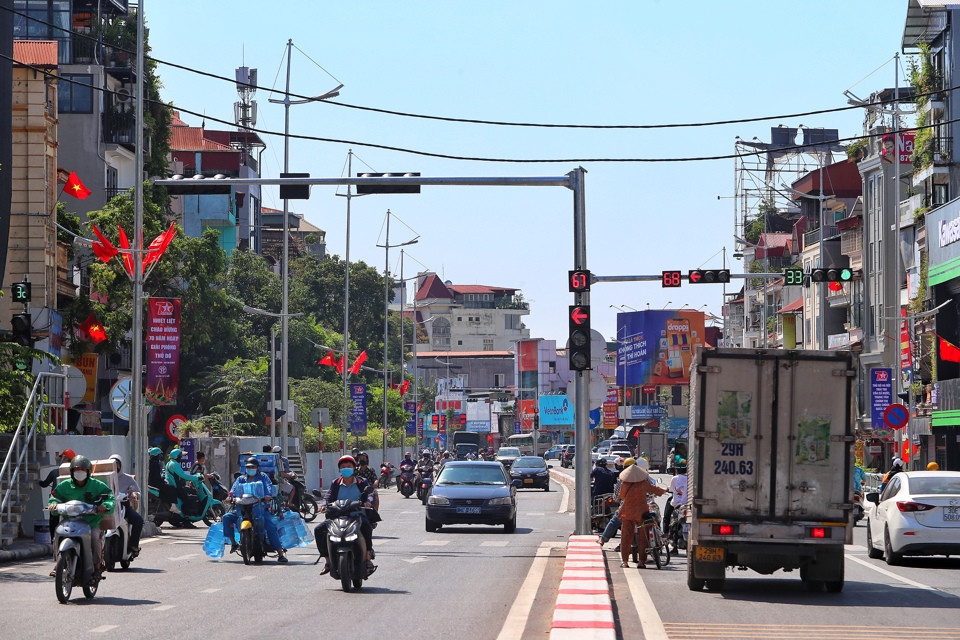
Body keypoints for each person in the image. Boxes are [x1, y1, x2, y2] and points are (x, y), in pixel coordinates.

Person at [48, 455, 114, 585]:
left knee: (95, 537)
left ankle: (96, 567)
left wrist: (105, 506)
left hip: (91, 522)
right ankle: (58, 563)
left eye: (83, 470)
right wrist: (53, 505)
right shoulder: (64, 486)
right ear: (72, 471)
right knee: (57, 534)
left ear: (88, 472)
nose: (80, 472)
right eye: (77, 469)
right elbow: (54, 498)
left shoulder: (97, 485)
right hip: (69, 522)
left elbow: (110, 497)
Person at [314, 455, 376, 576]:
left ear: (354, 468)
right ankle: (328, 561)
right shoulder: (335, 483)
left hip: (357, 516)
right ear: (339, 469)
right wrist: (323, 505)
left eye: (349, 466)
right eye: (343, 467)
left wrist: (368, 501)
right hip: (337, 517)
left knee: (367, 527)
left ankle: (367, 557)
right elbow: (328, 496)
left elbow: (370, 494)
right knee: (319, 530)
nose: (346, 468)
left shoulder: (362, 482)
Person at [222, 457, 287, 563]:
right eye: (248, 467)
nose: (251, 469)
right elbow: (233, 489)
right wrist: (230, 497)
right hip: (242, 508)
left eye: (253, 467)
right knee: (226, 517)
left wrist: (268, 495)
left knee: (270, 526)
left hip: (259, 508)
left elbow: (268, 486)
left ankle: (280, 554)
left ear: (257, 467)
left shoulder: (263, 477)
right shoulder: (241, 479)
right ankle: (234, 543)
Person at [618, 455, 666, 569]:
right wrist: (664, 490)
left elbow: (622, 495)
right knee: (643, 537)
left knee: (626, 537)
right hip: (642, 513)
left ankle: (625, 562)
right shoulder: (643, 483)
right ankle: (641, 562)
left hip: (627, 512)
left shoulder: (625, 484)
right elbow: (656, 490)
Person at [39, 449, 76, 549]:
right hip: (70, 502)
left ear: (64, 459)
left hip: (56, 502)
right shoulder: (75, 473)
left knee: (53, 522)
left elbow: (44, 484)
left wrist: (39, 482)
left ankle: (53, 541)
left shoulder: (55, 472)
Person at [108, 454, 143, 558]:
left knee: (138, 520)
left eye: (117, 464)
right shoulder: (105, 477)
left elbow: (137, 492)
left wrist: (134, 495)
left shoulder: (128, 478)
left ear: (121, 465)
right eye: (113, 464)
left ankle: (133, 545)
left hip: (124, 505)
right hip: (108, 506)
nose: (115, 467)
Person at [164, 448, 203, 522]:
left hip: (172, 485)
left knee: (189, 492)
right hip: (176, 487)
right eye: (180, 456)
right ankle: (186, 518)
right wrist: (196, 478)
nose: (181, 458)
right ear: (177, 457)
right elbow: (184, 475)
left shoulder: (170, 463)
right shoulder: (174, 464)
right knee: (187, 499)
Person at [663, 460, 687, 540]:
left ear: (677, 470)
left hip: (676, 503)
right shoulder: (690, 478)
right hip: (687, 503)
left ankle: (665, 534)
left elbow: (672, 489)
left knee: (666, 517)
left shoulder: (675, 478)